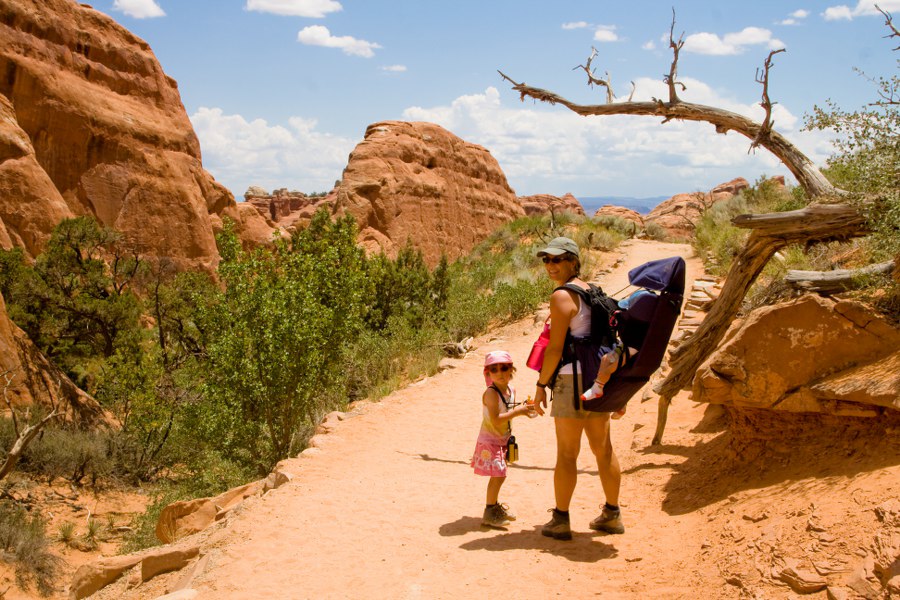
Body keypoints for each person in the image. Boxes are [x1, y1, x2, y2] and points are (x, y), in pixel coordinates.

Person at [530, 237, 624, 540]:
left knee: (567, 454)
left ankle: (560, 520)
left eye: (557, 260)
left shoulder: (561, 296)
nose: (550, 266)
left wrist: (541, 385)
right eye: (546, 260)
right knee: (603, 449)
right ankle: (612, 514)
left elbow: (555, 349)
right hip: (598, 379)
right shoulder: (591, 291)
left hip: (572, 381)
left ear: (573, 260)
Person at [471, 350, 536, 528]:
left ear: (511, 370)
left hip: (502, 439)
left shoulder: (510, 390)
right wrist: (520, 412)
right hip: (490, 440)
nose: (499, 373)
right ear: (488, 373)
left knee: (500, 474)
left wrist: (525, 408)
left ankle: (494, 507)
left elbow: (509, 409)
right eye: (494, 369)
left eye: (504, 368)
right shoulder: (491, 394)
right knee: (498, 474)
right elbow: (496, 418)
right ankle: (490, 511)